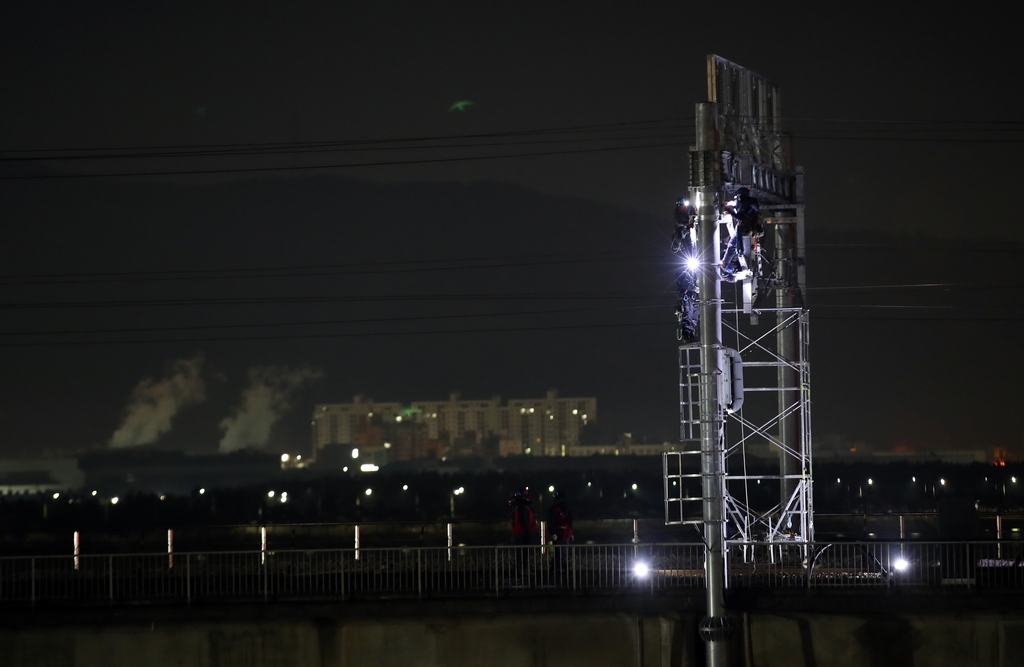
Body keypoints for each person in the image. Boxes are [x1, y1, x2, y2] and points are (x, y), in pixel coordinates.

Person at [671, 197, 700, 342]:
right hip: (686, 283)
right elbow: (680, 227)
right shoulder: (679, 220)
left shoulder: (691, 215)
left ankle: (691, 331)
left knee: (695, 308)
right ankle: (687, 332)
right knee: (689, 307)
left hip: (694, 257)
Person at [720, 187, 762, 281]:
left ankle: (725, 262)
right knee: (733, 245)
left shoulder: (746, 204)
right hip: (747, 227)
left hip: (744, 227)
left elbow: (740, 217)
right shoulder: (751, 202)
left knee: (732, 245)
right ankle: (726, 262)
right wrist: (731, 206)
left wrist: (730, 211)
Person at [546, 489, 574, 573]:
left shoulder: (565, 509)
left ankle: (562, 569)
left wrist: (571, 533)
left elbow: (569, 521)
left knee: (565, 554)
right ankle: (557, 569)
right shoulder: (554, 509)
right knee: (559, 553)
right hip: (559, 535)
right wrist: (553, 533)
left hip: (566, 534)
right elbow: (551, 521)